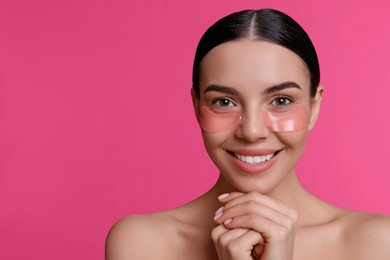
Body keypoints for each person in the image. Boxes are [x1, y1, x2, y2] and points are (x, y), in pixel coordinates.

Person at [105, 8, 390, 260]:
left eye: (281, 101)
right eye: (224, 102)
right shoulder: (142, 244)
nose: (252, 132)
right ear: (196, 106)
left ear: (314, 106)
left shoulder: (377, 244)